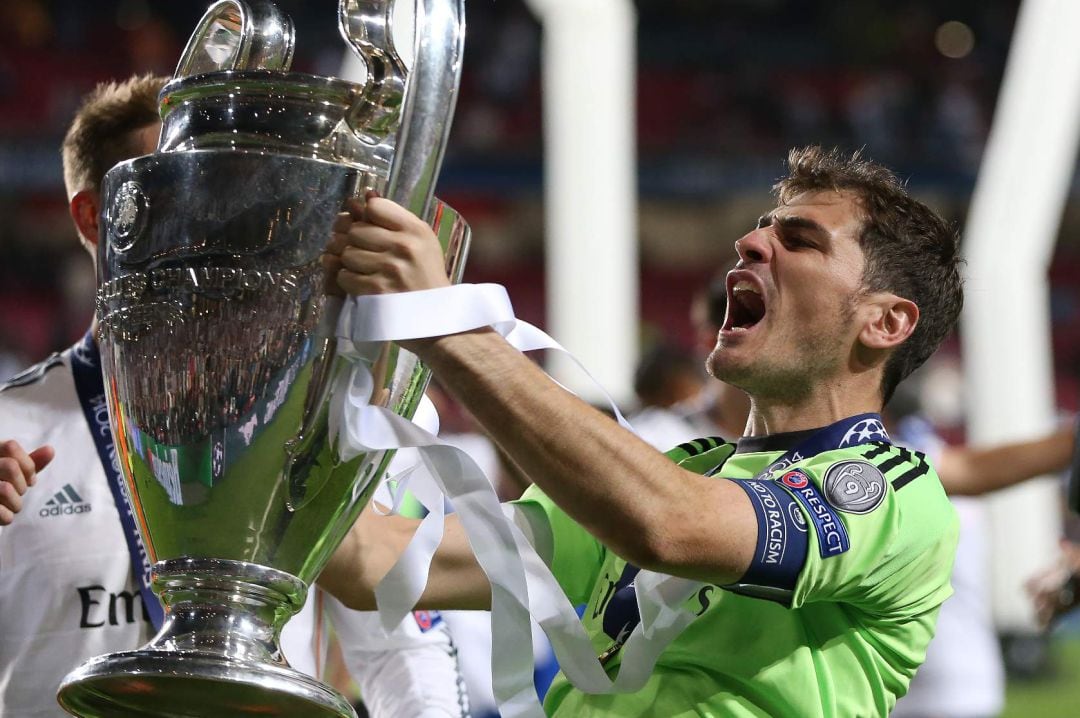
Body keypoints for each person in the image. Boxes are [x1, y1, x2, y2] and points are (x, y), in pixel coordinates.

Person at [319, 145, 966, 716]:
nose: (749, 242)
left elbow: (672, 527)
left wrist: (446, 325)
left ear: (885, 323)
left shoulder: (893, 490)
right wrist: (328, 370)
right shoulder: (678, 469)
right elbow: (372, 563)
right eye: (761, 228)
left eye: (800, 240)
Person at [0, 74, 468, 718]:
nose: (217, 212)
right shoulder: (9, 426)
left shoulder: (309, 407)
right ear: (99, 214)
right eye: (180, 185)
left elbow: (396, 642)